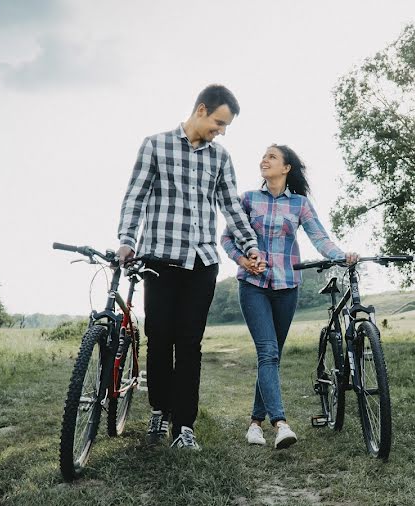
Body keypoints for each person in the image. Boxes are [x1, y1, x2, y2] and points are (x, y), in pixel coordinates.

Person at [116, 84, 264, 450]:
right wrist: (126, 239)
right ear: (201, 110)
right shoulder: (155, 145)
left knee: (189, 344)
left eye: (225, 126)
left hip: (202, 264)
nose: (221, 131)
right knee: (160, 338)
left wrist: (251, 246)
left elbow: (231, 207)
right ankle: (159, 411)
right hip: (160, 261)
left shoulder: (220, 157)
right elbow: (135, 197)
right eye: (219, 122)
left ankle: (184, 426)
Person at [221, 144, 357, 450]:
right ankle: (280, 424)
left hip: (287, 287)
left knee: (272, 356)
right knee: (268, 352)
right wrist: (243, 260)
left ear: (286, 168)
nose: (264, 159)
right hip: (253, 285)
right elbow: (227, 237)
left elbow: (319, 236)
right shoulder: (248, 199)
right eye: (263, 155)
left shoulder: (299, 204)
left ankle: (254, 424)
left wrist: (341, 255)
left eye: (272, 156)